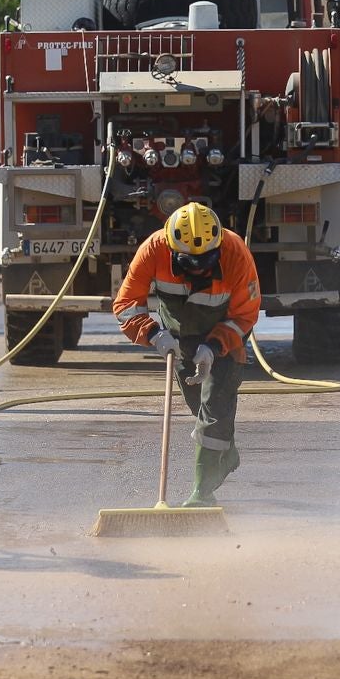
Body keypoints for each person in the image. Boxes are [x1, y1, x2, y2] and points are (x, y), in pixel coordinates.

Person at [113, 201, 262, 506]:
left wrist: (214, 347)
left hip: (224, 337)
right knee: (199, 407)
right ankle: (225, 452)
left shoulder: (235, 252)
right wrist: (154, 334)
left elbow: (245, 314)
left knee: (214, 407)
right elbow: (126, 305)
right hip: (179, 339)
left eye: (206, 261)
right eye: (190, 263)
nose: (199, 269)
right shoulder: (153, 249)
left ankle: (202, 494)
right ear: (171, 248)